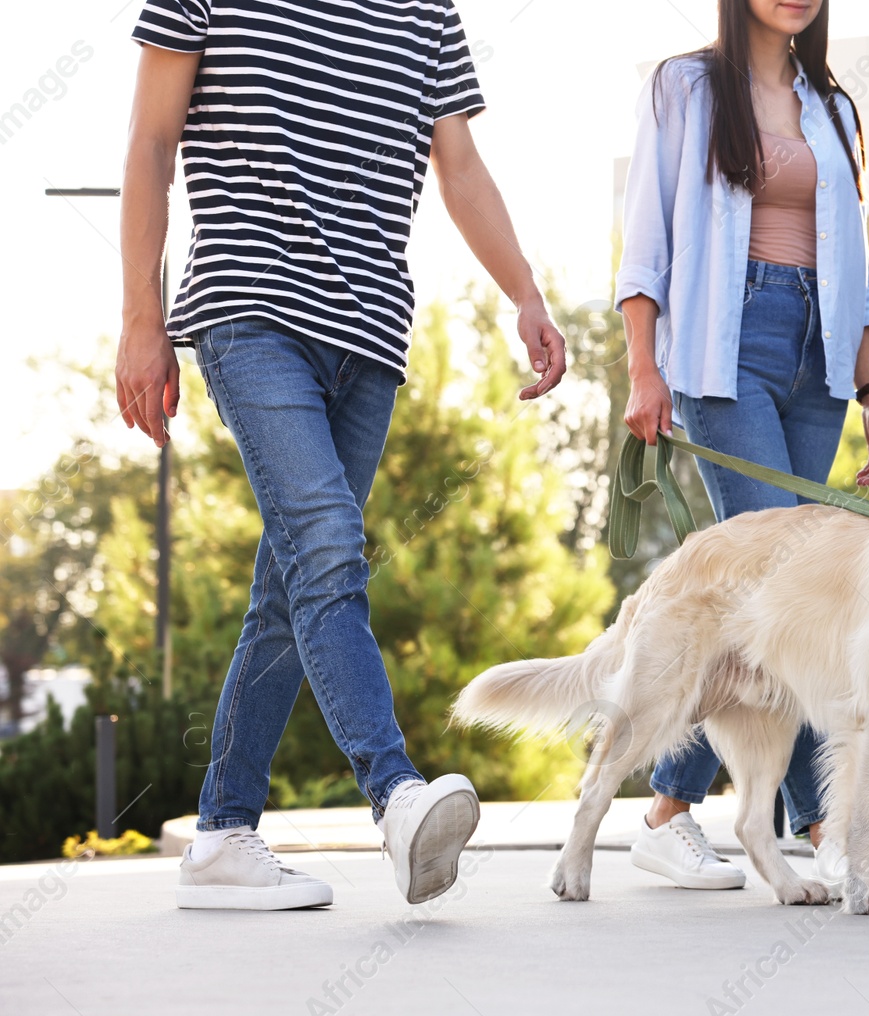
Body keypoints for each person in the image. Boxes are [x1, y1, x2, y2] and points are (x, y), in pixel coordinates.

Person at [118, 0, 566, 910]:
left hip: (367, 333)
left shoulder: (426, 11)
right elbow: (152, 141)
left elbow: (460, 164)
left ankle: (222, 835)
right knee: (328, 547)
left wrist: (525, 292)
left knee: (289, 591)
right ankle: (396, 794)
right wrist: (140, 317)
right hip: (251, 307)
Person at [616, 0, 869, 894]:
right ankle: (820, 822)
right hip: (722, 346)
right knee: (789, 587)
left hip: (817, 357)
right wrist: (642, 367)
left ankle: (670, 812)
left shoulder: (835, 106)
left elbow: (851, 269)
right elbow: (647, 239)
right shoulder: (685, 87)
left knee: (786, 593)